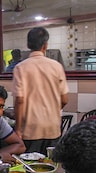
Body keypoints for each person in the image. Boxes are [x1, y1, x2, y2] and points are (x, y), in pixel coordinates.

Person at [12, 27, 69, 155]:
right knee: (50, 168)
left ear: (28, 45)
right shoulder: (57, 66)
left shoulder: (20, 68)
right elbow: (65, 99)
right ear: (45, 45)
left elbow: (20, 101)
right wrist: (52, 111)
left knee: (30, 168)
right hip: (53, 129)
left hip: (30, 130)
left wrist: (18, 130)